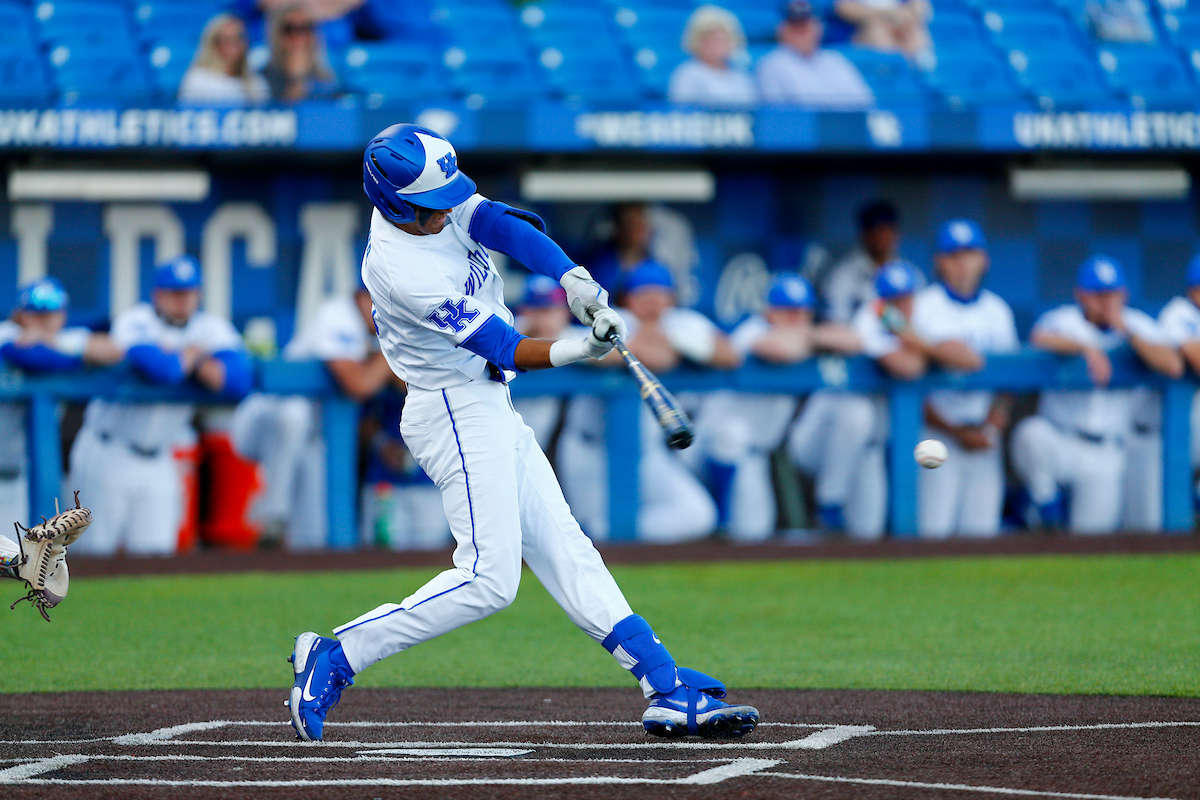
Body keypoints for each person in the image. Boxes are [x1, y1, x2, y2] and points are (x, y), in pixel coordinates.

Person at [286, 123, 759, 743]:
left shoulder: (434, 201)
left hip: (487, 403)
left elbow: (499, 224)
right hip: (451, 408)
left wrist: (573, 277)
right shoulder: (402, 269)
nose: (448, 207)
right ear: (398, 206)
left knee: (565, 544)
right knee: (489, 579)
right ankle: (338, 654)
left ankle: (664, 684)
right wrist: (580, 347)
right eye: (433, 204)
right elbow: (504, 347)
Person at [69, 256, 253, 556]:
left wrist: (189, 358)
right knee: (92, 556)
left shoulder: (210, 327)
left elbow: (239, 382)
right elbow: (160, 370)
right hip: (107, 450)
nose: (182, 300)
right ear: (158, 294)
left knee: (155, 562)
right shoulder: (135, 320)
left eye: (188, 292)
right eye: (174, 292)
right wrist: (194, 357)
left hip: (160, 458)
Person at [1011, 255, 1183, 535]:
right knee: (1031, 432)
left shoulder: (1136, 324)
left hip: (1106, 452)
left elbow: (1172, 365)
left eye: (1111, 294)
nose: (1105, 302)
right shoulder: (1064, 319)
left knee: (1092, 542)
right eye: (1097, 294)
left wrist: (1126, 330)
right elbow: (1040, 337)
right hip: (1062, 440)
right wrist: (1087, 347)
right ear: (1081, 295)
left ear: (1124, 294)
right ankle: (1044, 499)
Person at [558, 263, 729, 543]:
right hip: (590, 450)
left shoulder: (683, 323)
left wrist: (679, 342)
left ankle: (621, 537)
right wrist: (648, 349)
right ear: (628, 299)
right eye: (643, 296)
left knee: (697, 515)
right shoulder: (611, 317)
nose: (652, 303)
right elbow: (567, 344)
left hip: (647, 453)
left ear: (671, 298)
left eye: (659, 295)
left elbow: (730, 354)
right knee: (584, 536)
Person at [693, 273, 863, 540]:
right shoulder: (752, 330)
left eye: (800, 312)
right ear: (769, 312)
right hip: (706, 448)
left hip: (754, 457)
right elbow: (779, 349)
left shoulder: (806, 337)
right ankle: (717, 522)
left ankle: (721, 526)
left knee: (755, 534)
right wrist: (813, 338)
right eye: (787, 312)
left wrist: (808, 336)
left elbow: (856, 340)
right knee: (731, 433)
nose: (794, 319)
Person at [232, 284, 397, 549]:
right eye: (378, 301)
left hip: (312, 439)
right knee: (294, 415)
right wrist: (392, 355)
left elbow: (404, 383)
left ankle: (280, 545)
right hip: (264, 420)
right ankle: (274, 514)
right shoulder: (337, 315)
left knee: (315, 537)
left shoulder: (382, 331)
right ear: (360, 297)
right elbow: (358, 384)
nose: (385, 311)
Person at [909, 220, 1019, 538]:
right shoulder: (923, 307)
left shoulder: (997, 311)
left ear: (983, 259)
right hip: (936, 432)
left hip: (984, 434)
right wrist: (956, 431)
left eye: (968, 253)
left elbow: (1010, 381)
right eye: (953, 254)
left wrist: (995, 421)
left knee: (982, 535)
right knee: (932, 533)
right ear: (939, 261)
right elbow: (911, 386)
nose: (961, 262)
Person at [0, 278, 123, 524]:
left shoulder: (64, 338)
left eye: (51, 313)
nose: (44, 320)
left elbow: (115, 353)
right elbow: (34, 357)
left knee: (22, 558)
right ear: (20, 314)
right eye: (36, 313)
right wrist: (78, 360)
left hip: (22, 478)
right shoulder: (6, 333)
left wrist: (54, 342)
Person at [1128, 254, 1200, 529]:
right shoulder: (1179, 312)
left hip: (1185, 436)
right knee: (1147, 530)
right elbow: (1194, 358)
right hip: (1150, 437)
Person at [816, 199, 920, 326]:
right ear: (864, 233)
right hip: (855, 343)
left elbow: (922, 321)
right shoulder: (842, 275)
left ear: (896, 232)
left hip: (906, 343)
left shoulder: (911, 273)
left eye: (885, 228)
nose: (880, 235)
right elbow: (834, 322)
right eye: (875, 229)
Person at [756, 0, 875, 109]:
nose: (802, 33)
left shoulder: (835, 59)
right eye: (795, 28)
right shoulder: (772, 64)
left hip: (842, 128)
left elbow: (864, 102)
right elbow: (777, 112)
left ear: (819, 27)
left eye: (806, 26)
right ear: (781, 30)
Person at [512, 275, 574, 451]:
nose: (545, 317)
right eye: (538, 309)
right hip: (504, 429)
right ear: (525, 310)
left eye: (552, 309)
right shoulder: (510, 330)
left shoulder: (572, 335)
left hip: (554, 437)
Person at [668, 5, 757, 108]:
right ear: (696, 41)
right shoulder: (686, 74)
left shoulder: (740, 76)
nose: (717, 46)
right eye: (711, 40)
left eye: (722, 40)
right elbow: (681, 113)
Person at [178, 13, 270, 106]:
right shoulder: (198, 79)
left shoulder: (256, 83)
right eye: (227, 40)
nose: (234, 45)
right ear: (214, 44)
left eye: (239, 38)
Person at [262, 2, 341, 103]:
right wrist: (297, 80)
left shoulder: (328, 81)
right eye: (290, 29)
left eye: (306, 28)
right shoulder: (263, 80)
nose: (299, 36)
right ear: (277, 35)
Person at [833, 0, 931, 61]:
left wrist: (904, 16)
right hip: (867, 27)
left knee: (913, 31)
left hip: (900, 25)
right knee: (876, 30)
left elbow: (920, 10)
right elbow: (843, 8)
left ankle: (921, 70)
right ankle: (886, 70)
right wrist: (884, 14)